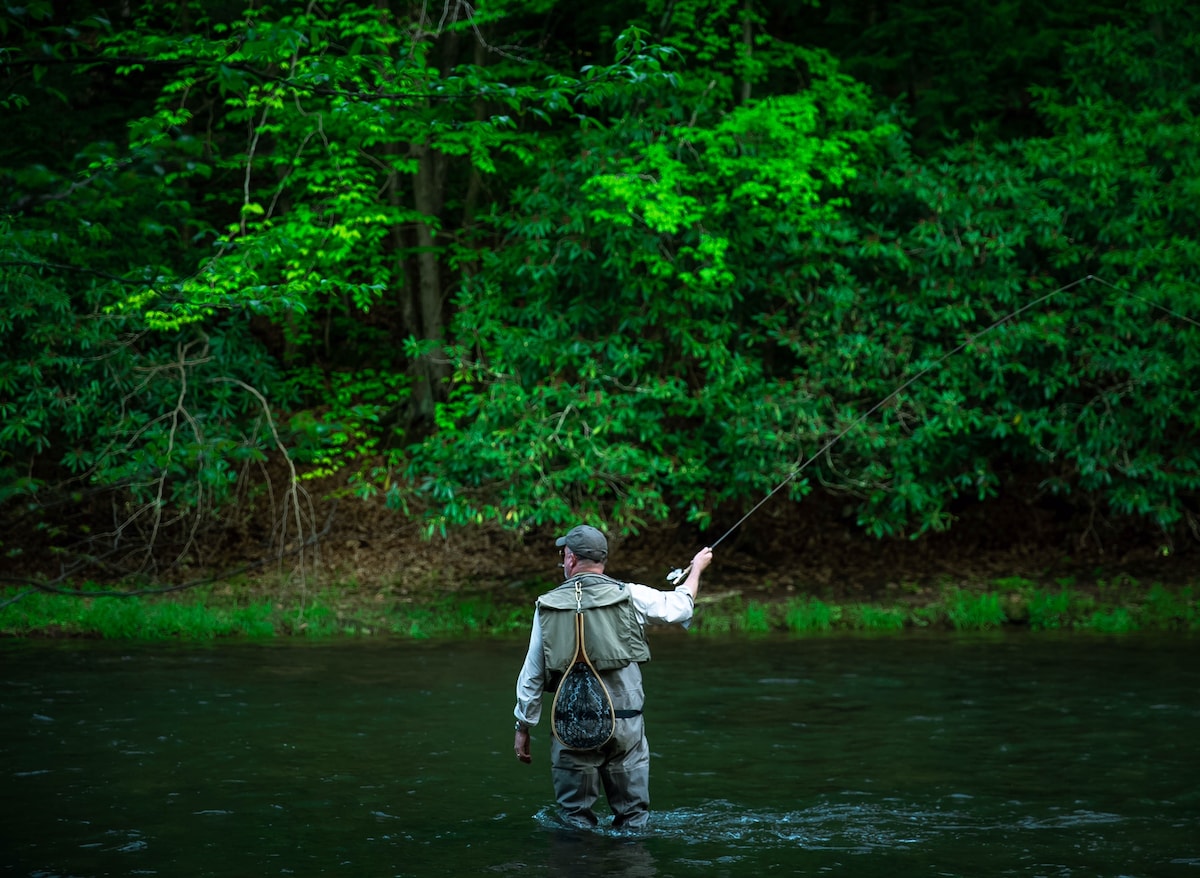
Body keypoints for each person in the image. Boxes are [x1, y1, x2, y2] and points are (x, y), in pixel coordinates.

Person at [512, 523, 713, 829]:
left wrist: (523, 726)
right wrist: (697, 568)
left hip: (571, 727)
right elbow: (682, 607)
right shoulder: (631, 595)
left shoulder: (546, 606)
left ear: (570, 559)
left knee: (574, 821)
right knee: (633, 820)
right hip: (626, 724)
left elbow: (532, 676)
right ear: (602, 560)